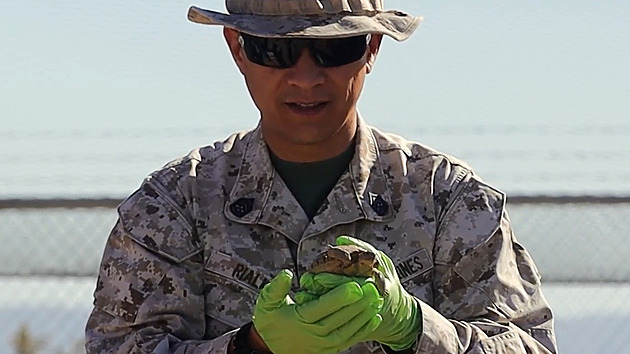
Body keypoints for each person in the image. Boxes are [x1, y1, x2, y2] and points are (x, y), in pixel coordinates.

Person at [85, 1, 558, 353]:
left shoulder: (450, 201)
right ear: (237, 49)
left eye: (336, 49)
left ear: (371, 48)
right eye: (277, 50)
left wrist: (414, 328)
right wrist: (251, 348)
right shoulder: (171, 208)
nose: (306, 78)